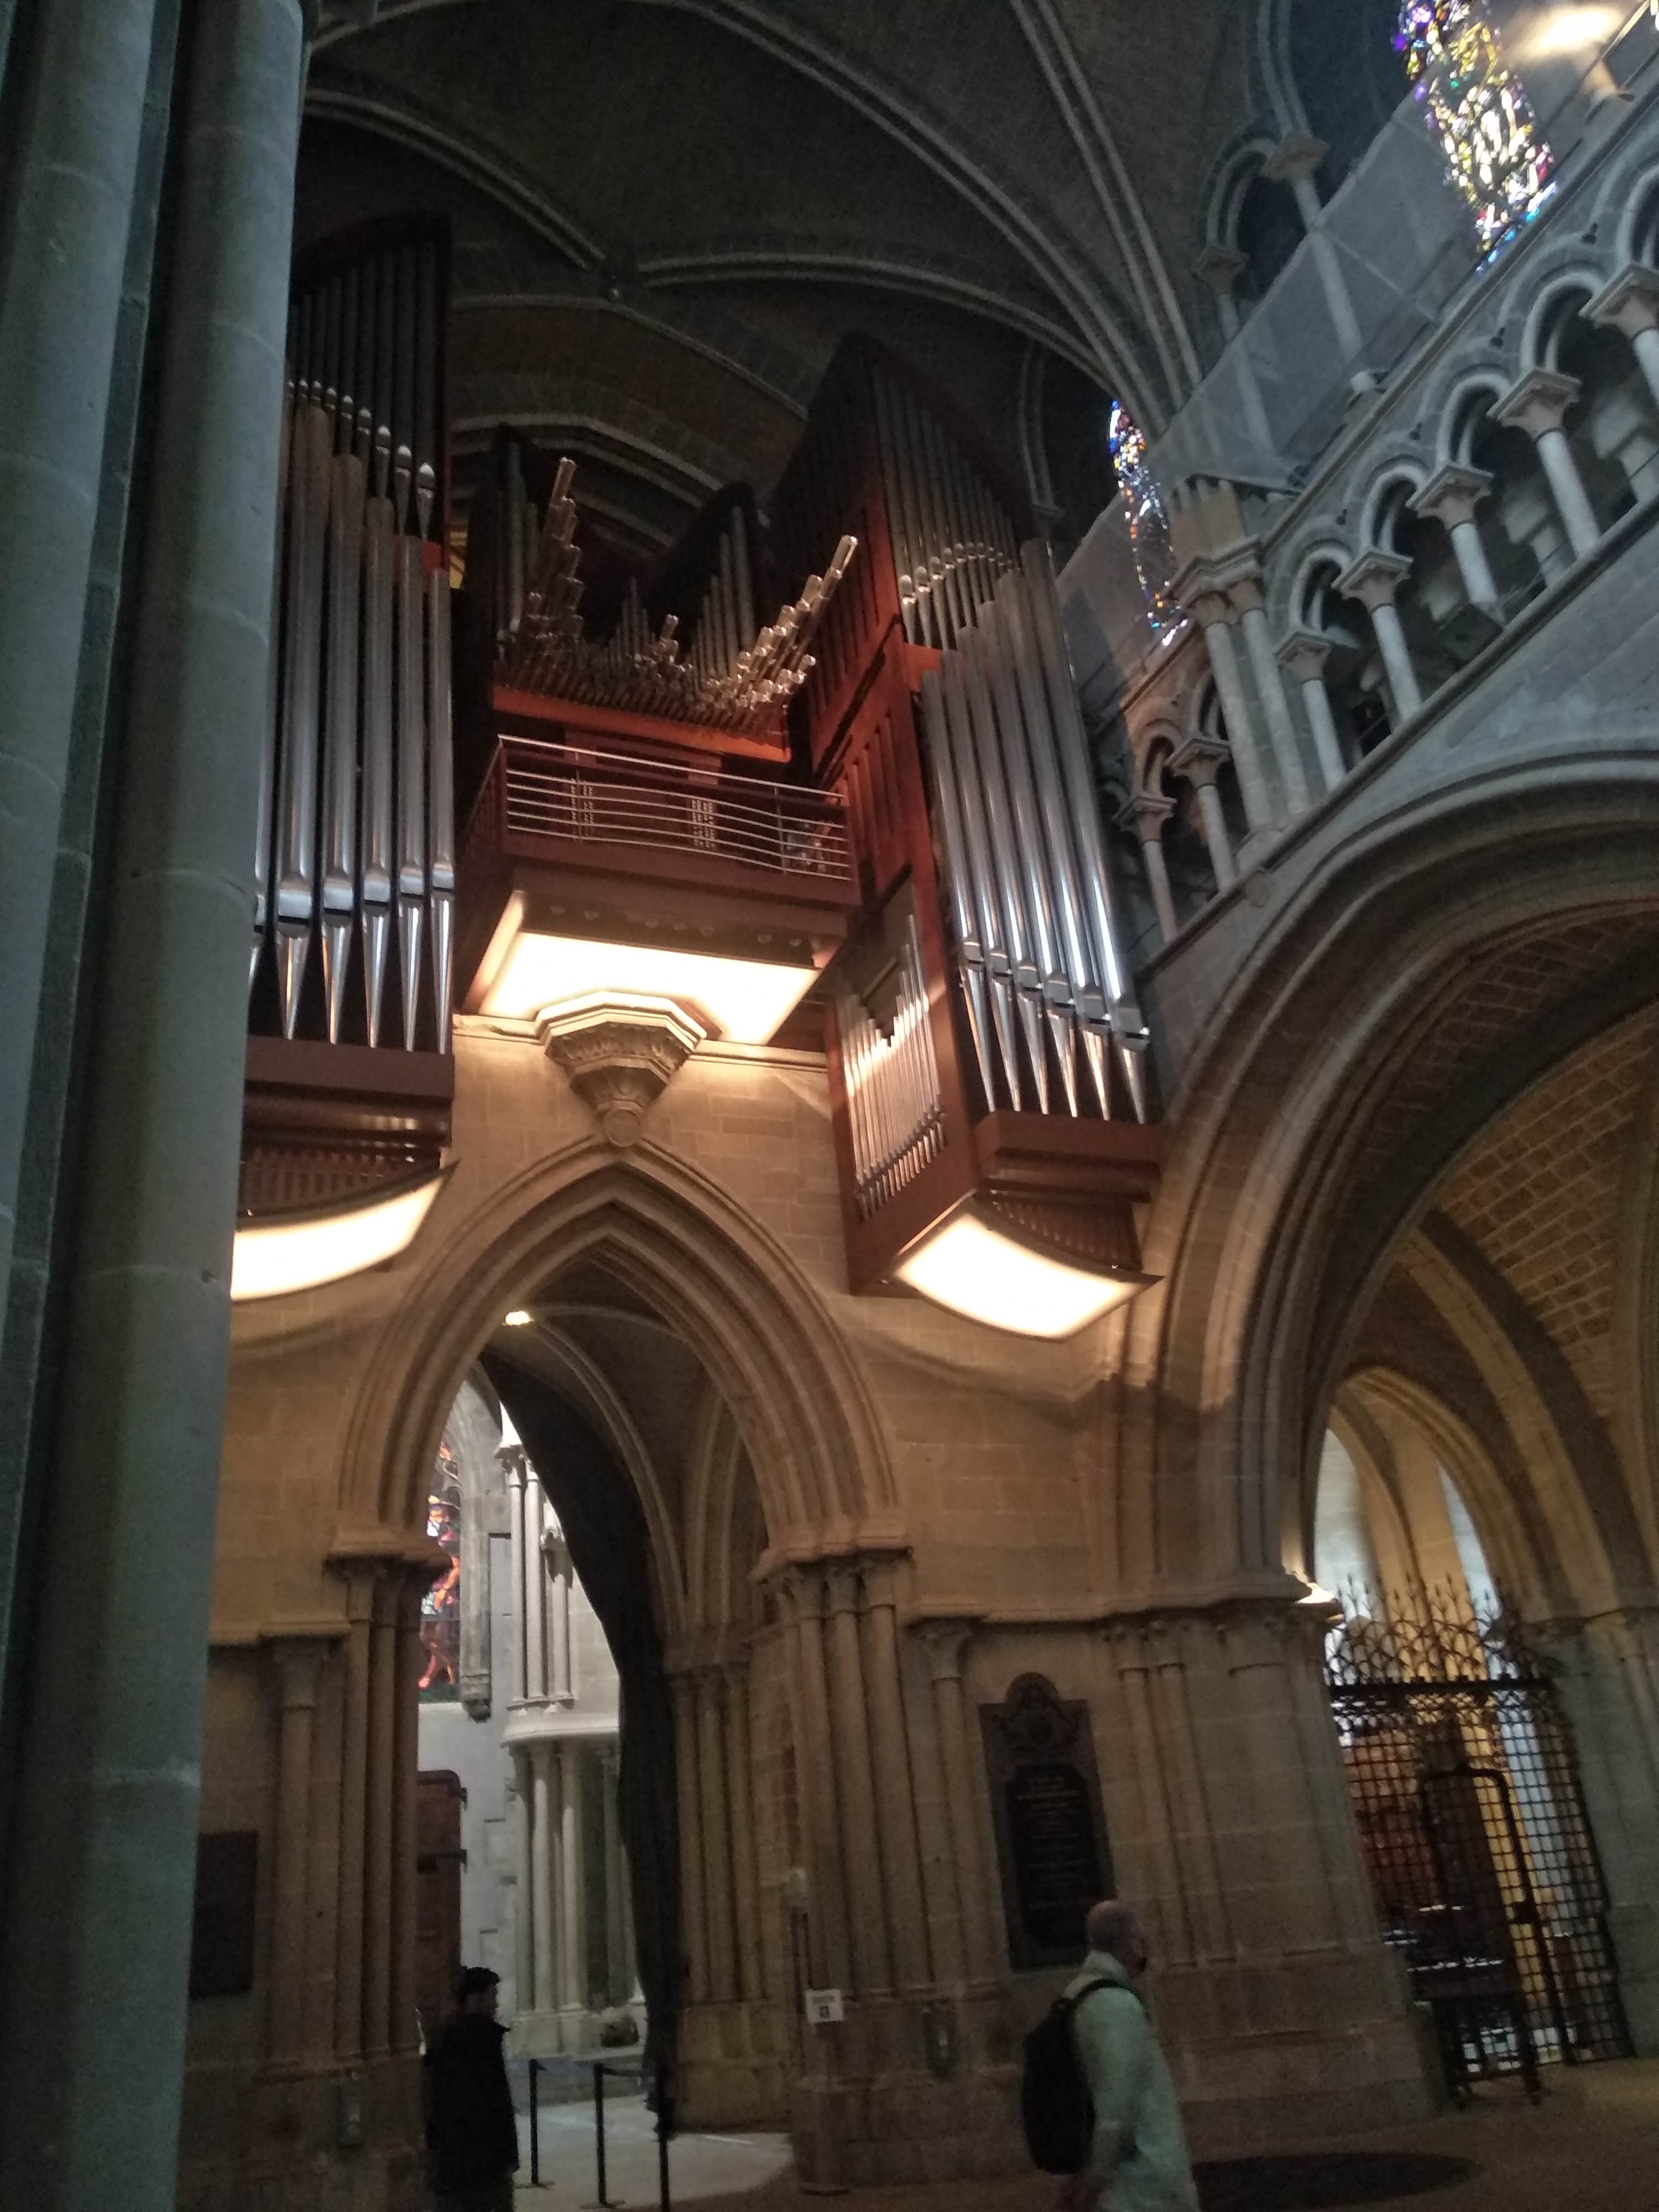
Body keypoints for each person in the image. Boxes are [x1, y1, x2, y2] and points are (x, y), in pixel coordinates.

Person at [1058, 1900, 1199, 2212]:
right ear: (1130, 1941)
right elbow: (1116, 2107)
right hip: (1140, 2185)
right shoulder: (1115, 2006)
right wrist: (1094, 2179)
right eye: (1140, 1938)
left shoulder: (1082, 1995)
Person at [424, 1966, 520, 2212]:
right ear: (474, 1999)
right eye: (492, 1996)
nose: (496, 2004)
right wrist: (507, 2156)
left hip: (456, 2160)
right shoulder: (482, 2039)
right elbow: (496, 2102)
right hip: (483, 2159)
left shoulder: (446, 2039)